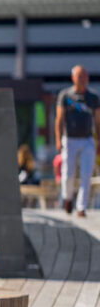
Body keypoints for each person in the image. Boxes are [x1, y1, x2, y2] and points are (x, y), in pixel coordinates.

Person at [55, 65, 100, 216]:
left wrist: (98, 141)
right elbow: (59, 119)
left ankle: (81, 207)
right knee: (68, 173)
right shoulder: (65, 95)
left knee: (87, 174)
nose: (83, 79)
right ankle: (68, 198)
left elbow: (98, 121)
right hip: (70, 139)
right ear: (73, 78)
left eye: (85, 76)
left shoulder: (93, 97)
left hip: (87, 139)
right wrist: (58, 139)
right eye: (79, 76)